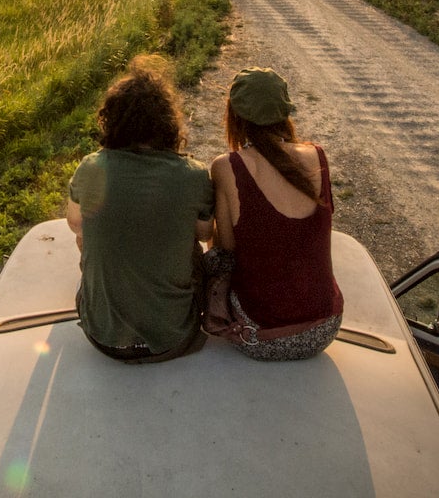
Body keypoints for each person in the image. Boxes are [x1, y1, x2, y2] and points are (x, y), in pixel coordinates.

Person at [66, 54, 214, 363]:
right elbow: (204, 233)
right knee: (192, 250)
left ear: (112, 121)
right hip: (174, 338)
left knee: (86, 237)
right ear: (167, 124)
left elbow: (75, 224)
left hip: (102, 339)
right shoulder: (194, 174)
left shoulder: (91, 167)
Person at [206, 66, 343, 361]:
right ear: (285, 113)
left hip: (261, 334)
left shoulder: (228, 166)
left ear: (235, 117)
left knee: (215, 260)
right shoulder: (317, 155)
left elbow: (226, 249)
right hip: (325, 328)